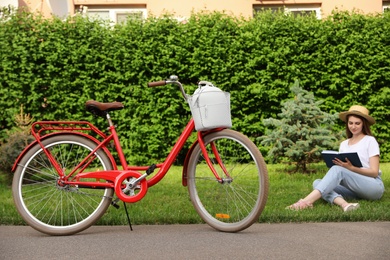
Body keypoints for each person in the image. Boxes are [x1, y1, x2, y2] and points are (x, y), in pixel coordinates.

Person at [287, 105, 385, 212]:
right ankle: (344, 204)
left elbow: (374, 172)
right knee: (317, 182)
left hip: (373, 187)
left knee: (337, 171)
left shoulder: (370, 141)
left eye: (357, 123)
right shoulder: (344, 144)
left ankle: (305, 202)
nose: (353, 126)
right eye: (350, 123)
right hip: (354, 189)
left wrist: (351, 168)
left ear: (363, 124)